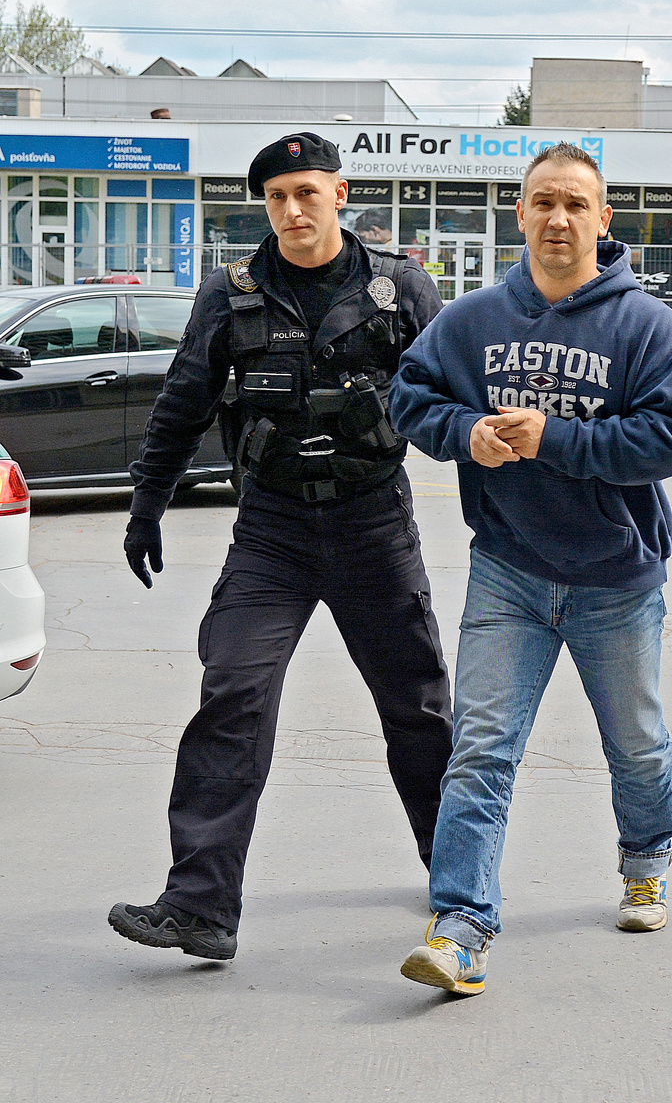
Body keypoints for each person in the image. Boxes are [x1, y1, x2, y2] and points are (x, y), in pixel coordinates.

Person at [108, 132, 452, 961]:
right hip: (272, 534)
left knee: (416, 707)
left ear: (340, 194)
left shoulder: (401, 287)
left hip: (374, 527)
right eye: (276, 197)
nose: (292, 210)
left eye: (306, 192)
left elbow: (454, 400)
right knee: (233, 693)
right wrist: (146, 503)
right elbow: (184, 401)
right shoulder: (229, 296)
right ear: (263, 206)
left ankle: (458, 871)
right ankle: (200, 907)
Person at [390, 142, 672, 995]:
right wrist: (466, 434)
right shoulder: (472, 320)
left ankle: (645, 860)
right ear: (519, 215)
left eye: (575, 204)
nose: (557, 218)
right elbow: (408, 397)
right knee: (481, 749)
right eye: (541, 203)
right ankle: (460, 927)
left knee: (635, 746)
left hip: (616, 578)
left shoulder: (643, 326)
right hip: (509, 572)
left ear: (603, 221)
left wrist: (554, 439)